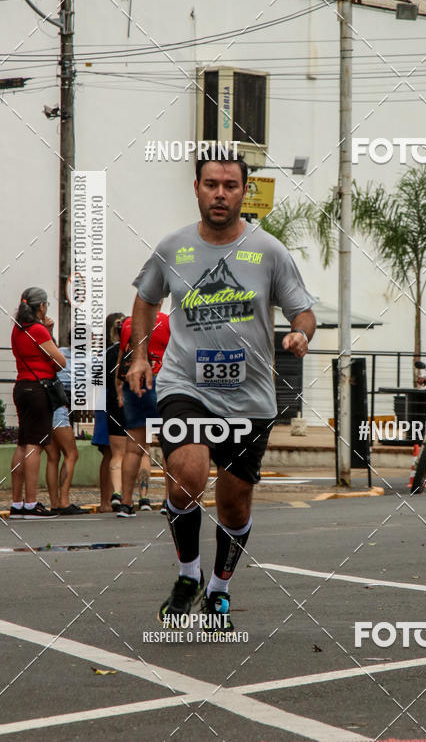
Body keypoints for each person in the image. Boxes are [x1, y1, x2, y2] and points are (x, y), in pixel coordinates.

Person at [126, 150, 316, 626]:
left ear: (243, 191)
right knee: (187, 475)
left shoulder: (268, 251)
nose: (220, 193)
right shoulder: (173, 248)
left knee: (234, 504)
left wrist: (301, 333)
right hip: (185, 384)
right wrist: (140, 355)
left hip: (249, 396)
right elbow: (146, 299)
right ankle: (188, 572)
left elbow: (303, 309)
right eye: (211, 184)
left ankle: (218, 588)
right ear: (196, 187)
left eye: (230, 185)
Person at [10, 287, 66, 518]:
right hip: (38, 389)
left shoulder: (18, 329)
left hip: (21, 386)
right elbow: (60, 361)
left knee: (23, 443)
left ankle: (17, 502)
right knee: (36, 445)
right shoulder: (38, 330)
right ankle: (31, 503)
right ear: (41, 306)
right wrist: (49, 333)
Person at [115, 308, 170, 517]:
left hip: (133, 383)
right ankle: (169, 500)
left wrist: (120, 391)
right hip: (159, 380)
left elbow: (121, 360)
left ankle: (126, 503)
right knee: (169, 445)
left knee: (133, 447)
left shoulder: (129, 324)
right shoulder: (166, 322)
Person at [91, 312, 128, 511]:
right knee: (116, 453)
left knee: (111, 453)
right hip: (110, 400)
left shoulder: (105, 352)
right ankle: (113, 498)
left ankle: (109, 499)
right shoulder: (116, 351)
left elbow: (95, 379)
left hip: (104, 399)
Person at [46, 335, 85, 515]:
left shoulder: (59, 352)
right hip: (61, 405)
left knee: (53, 456)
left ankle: (54, 503)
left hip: (49, 401)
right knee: (71, 454)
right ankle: (64, 501)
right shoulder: (87, 358)